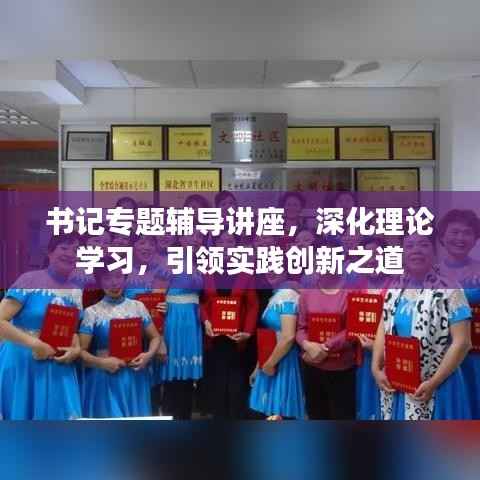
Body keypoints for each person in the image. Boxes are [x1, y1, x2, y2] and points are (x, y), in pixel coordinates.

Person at [372, 233, 473, 420]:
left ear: (435, 251)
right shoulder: (396, 286)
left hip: (438, 385)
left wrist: (434, 382)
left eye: (423, 245)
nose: (416, 250)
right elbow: (383, 326)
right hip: (399, 381)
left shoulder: (450, 289)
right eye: (409, 246)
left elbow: (462, 342)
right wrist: (376, 367)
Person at [0, 233, 83, 420]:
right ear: (49, 252)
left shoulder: (76, 291)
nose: (70, 254)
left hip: (58, 365)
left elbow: (73, 332)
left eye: (75, 250)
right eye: (64, 248)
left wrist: (76, 350)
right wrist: (35, 344)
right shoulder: (28, 280)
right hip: (22, 362)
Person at [78, 267, 160, 418]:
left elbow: (155, 337)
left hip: (135, 377)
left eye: (118, 277)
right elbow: (81, 352)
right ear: (99, 282)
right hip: (104, 378)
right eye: (107, 278)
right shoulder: (91, 312)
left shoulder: (138, 307)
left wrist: (148, 355)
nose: (114, 283)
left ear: (125, 278)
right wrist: (101, 363)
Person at [201, 232, 259, 419]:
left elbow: (253, 305)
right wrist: (206, 321)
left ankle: (236, 424)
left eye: (230, 241)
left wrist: (247, 332)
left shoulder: (245, 270)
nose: (226, 245)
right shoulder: (206, 269)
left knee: (236, 383)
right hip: (213, 336)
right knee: (216, 380)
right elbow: (201, 302)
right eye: (221, 241)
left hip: (237, 337)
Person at [437, 209, 480, 419]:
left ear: (475, 238)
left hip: (476, 354)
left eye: (467, 232)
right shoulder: (431, 272)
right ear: (443, 236)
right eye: (454, 232)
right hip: (442, 352)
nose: (460, 238)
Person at [297, 271, 357, 420]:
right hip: (312, 366)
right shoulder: (307, 294)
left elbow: (353, 329)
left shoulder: (352, 292)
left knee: (342, 417)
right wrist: (307, 345)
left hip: (342, 369)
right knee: (315, 415)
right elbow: (301, 328)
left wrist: (325, 347)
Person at [159, 232, 205, 419]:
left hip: (192, 321)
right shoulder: (169, 261)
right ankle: (171, 418)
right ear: (180, 238)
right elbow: (157, 296)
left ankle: (185, 419)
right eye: (190, 236)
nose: (195, 240)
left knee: (187, 378)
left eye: (199, 236)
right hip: (174, 320)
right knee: (173, 375)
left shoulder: (199, 262)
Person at [249, 271, 305, 419]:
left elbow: (288, 337)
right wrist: (259, 366)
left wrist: (269, 364)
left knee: (281, 414)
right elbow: (269, 337)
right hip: (271, 360)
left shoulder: (288, 294)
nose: (271, 271)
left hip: (284, 361)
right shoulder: (277, 294)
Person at [352, 236, 390, 420]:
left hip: (389, 359)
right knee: (366, 408)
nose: (372, 259)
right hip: (364, 358)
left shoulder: (397, 285)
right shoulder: (357, 286)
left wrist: (378, 346)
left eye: (376, 254)